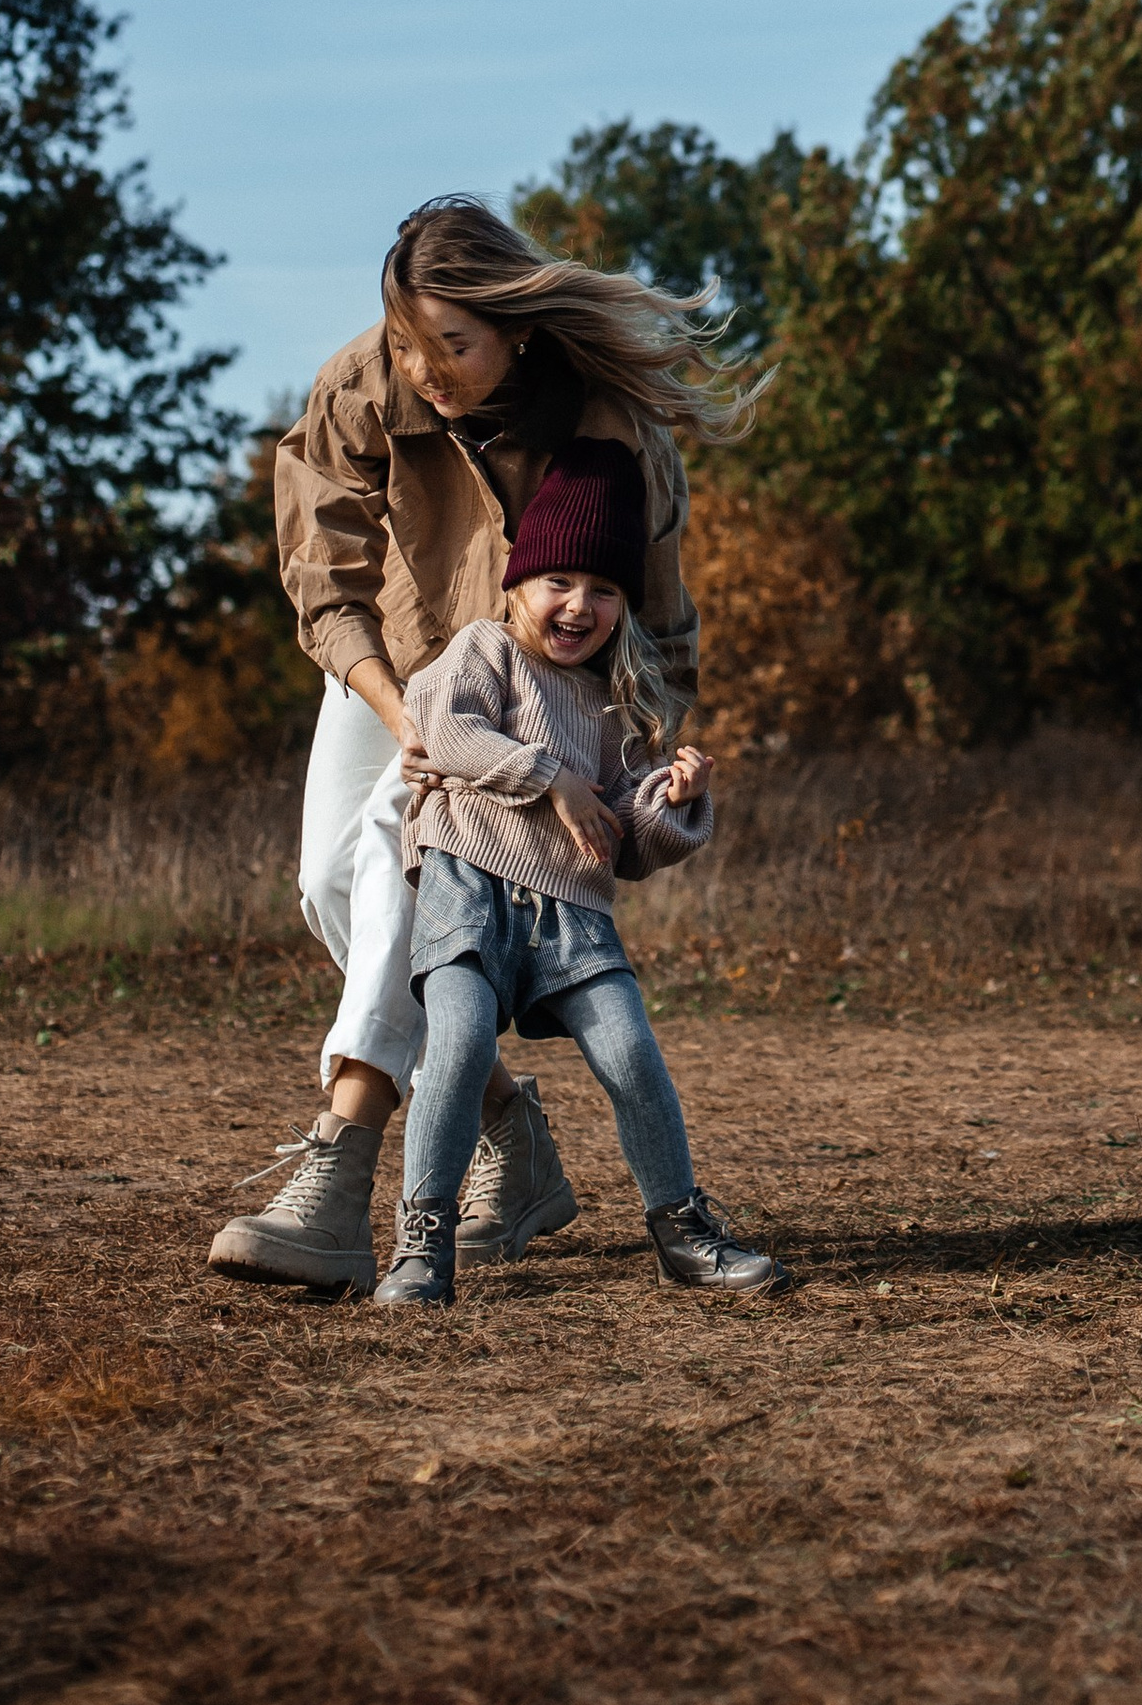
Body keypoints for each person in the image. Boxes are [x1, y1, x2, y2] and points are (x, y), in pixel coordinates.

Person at [208, 192, 760, 1300]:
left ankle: (340, 1169)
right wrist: (407, 719)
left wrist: (641, 760)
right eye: (409, 345)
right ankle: (510, 1128)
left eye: (449, 346)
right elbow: (322, 574)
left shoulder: (605, 423)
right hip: (396, 669)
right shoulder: (363, 378)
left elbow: (649, 606)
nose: (424, 369)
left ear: (513, 325)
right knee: (334, 888)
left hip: (534, 692)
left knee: (398, 881)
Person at [380, 440, 782, 1305]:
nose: (580, 604)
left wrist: (669, 802)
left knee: (633, 1055)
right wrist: (552, 778)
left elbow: (627, 848)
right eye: (559, 580)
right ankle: (423, 1241)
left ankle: (681, 1229)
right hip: (470, 891)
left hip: (572, 913)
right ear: (516, 584)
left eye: (604, 590)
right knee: (454, 1047)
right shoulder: (481, 652)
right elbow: (443, 731)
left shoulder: (611, 701)